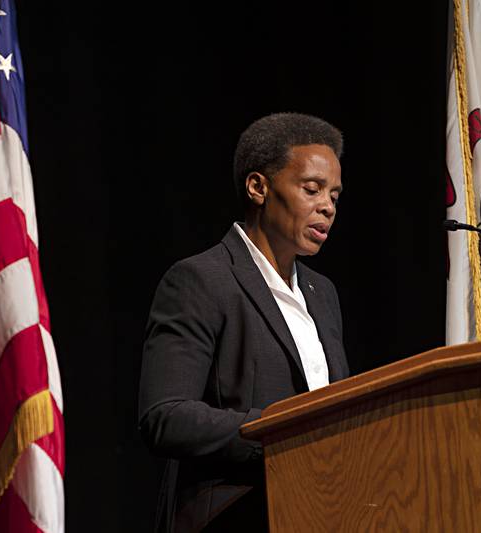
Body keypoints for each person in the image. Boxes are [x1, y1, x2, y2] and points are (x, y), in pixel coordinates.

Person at [138, 112, 349, 532]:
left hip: (323, 511)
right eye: (312, 189)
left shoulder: (321, 294)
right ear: (258, 187)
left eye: (335, 196)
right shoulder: (201, 280)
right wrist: (279, 431)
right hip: (233, 518)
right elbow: (165, 417)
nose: (327, 206)